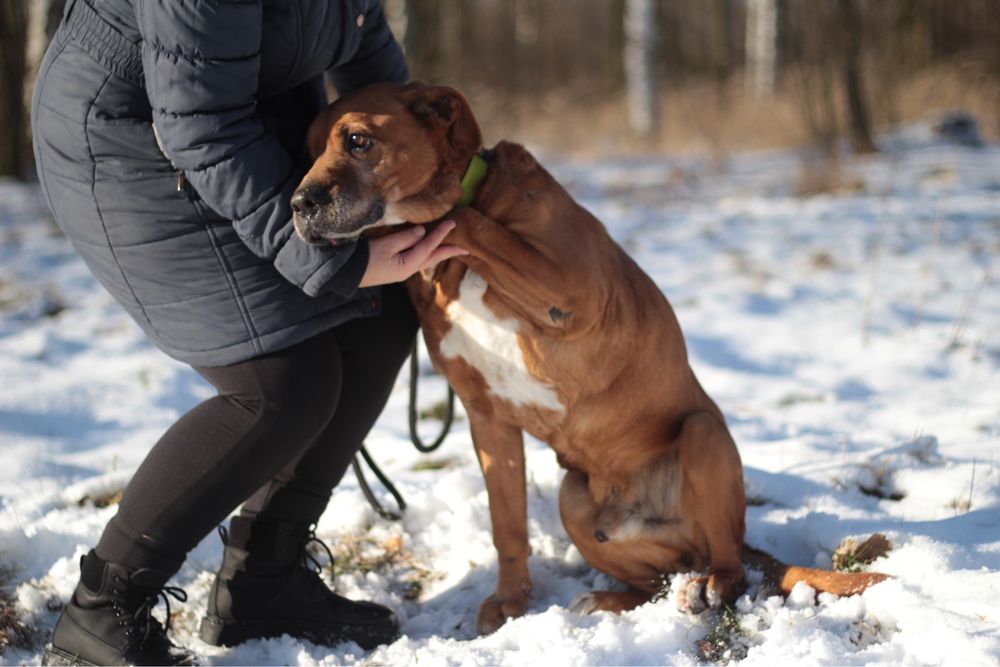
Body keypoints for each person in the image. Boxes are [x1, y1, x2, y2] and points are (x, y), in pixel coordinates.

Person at [31, 0, 463, 664]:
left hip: (255, 128)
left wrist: (430, 177)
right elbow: (200, 122)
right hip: (128, 143)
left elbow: (371, 67)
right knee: (281, 384)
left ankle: (266, 580)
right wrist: (337, 259)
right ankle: (101, 613)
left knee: (380, 316)